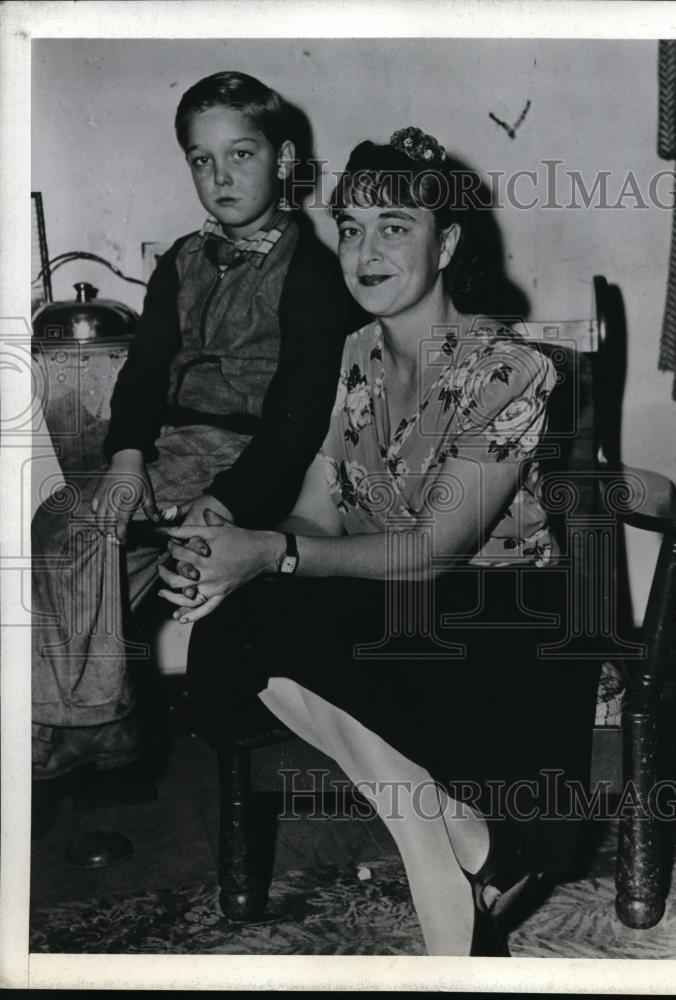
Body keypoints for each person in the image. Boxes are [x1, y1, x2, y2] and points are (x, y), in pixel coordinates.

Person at [164, 127, 601, 956]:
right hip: (388, 605)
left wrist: (274, 555)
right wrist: (237, 545)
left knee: (277, 604)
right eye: (351, 228)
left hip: (501, 623)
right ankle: (458, 839)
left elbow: (439, 548)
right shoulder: (353, 354)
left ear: (448, 243)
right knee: (230, 620)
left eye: (394, 226)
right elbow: (316, 520)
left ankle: (443, 871)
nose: (364, 249)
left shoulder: (510, 369)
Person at [31, 71, 362, 779]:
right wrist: (125, 459)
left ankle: (90, 723)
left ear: (284, 161)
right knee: (63, 526)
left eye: (240, 154)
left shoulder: (310, 272)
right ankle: (82, 712)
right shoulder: (181, 261)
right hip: (172, 448)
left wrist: (230, 501)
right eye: (201, 160)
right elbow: (145, 374)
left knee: (88, 537)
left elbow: (298, 418)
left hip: (257, 460)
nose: (220, 175)